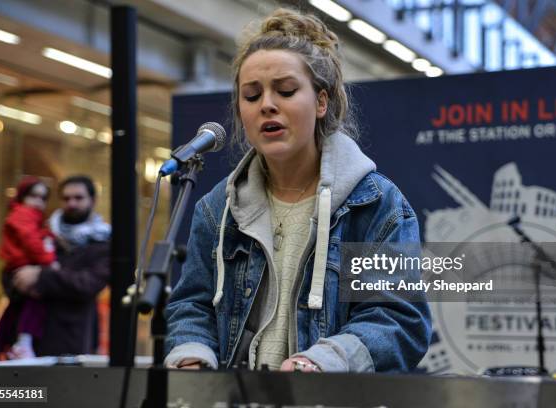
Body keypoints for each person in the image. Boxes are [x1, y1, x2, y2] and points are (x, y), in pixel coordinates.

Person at [165, 8, 431, 373]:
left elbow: (400, 321)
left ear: (322, 102)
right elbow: (191, 305)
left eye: (286, 91)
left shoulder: (377, 205)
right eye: (251, 96)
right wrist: (192, 353)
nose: (267, 105)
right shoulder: (218, 209)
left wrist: (322, 361)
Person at [11, 175, 110, 356]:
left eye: (78, 198)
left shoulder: (102, 242)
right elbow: (15, 273)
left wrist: (41, 276)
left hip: (74, 340)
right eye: (66, 198)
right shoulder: (44, 233)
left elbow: (88, 284)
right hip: (33, 339)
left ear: (93, 200)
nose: (71, 203)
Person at [0, 176, 56, 361]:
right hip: (20, 269)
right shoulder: (23, 215)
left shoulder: (31, 217)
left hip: (17, 268)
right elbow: (31, 242)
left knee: (14, 309)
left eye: (43, 198)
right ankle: (24, 342)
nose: (38, 202)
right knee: (36, 301)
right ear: (22, 196)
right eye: (34, 196)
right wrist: (49, 260)